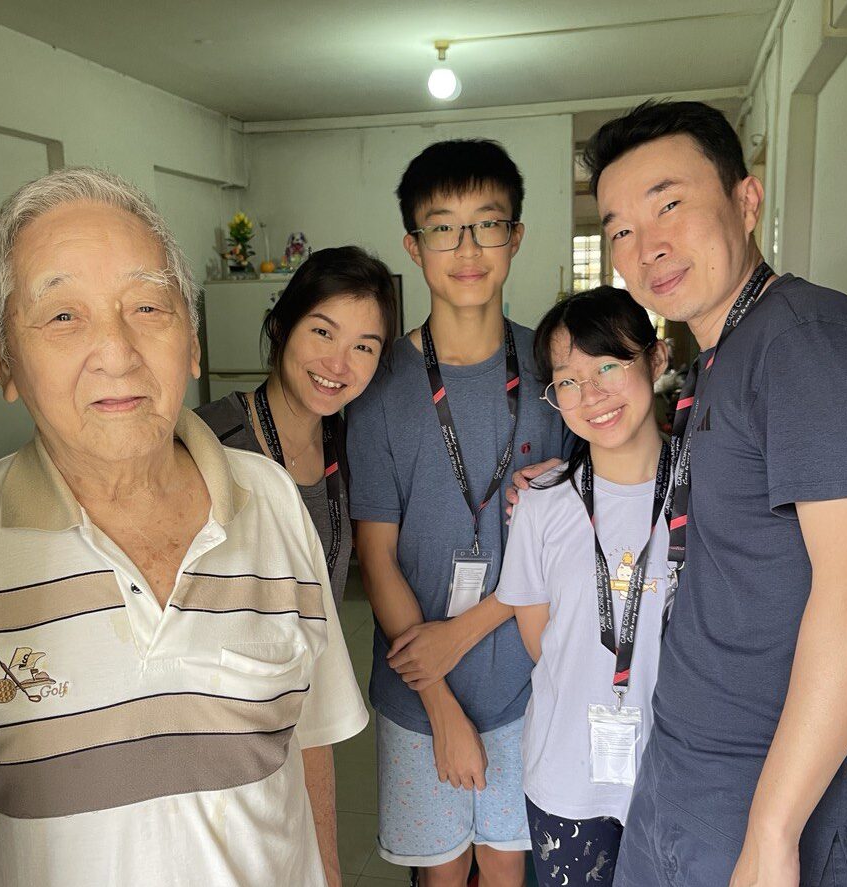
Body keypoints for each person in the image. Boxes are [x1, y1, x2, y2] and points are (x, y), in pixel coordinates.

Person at [0, 167, 367, 887]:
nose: (117, 350)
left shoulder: (269, 499)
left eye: (148, 307)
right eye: (62, 315)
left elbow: (308, 740)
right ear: (4, 361)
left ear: (194, 343)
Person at [581, 101, 847, 885]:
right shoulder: (722, 354)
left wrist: (774, 830)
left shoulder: (807, 339)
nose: (646, 247)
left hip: (760, 785)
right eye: (618, 229)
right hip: (684, 761)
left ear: (746, 200)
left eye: (670, 204)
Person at [347, 139, 566, 886]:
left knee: (508, 867)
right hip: (416, 691)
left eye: (488, 223)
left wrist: (466, 633)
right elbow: (376, 556)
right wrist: (438, 701)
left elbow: (573, 543)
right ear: (413, 244)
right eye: (443, 227)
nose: (466, 248)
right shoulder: (378, 391)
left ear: (517, 236)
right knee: (441, 874)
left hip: (525, 681)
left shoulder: (555, 371)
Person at [496, 286, 671, 887]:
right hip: (568, 778)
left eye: (607, 366)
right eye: (568, 380)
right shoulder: (541, 505)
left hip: (676, 782)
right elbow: (541, 641)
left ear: (656, 360)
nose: (590, 393)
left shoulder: (707, 489)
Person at [196, 245, 397, 609]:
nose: (338, 365)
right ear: (280, 327)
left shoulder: (353, 448)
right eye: (323, 332)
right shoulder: (207, 440)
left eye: (363, 348)